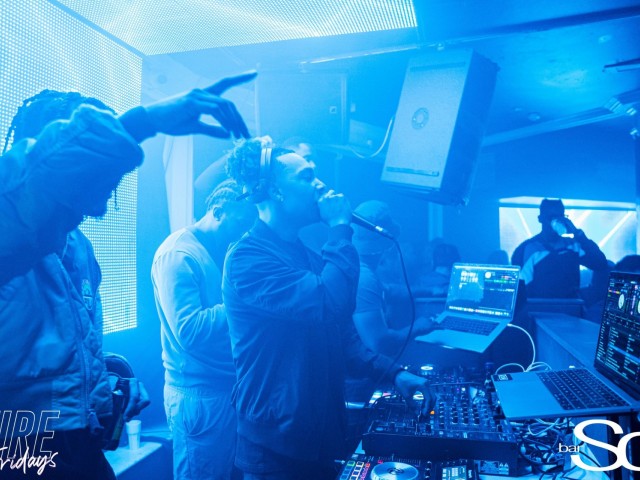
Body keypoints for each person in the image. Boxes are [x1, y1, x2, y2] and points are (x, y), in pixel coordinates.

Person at [0, 72, 256, 479]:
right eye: (99, 169)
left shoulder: (79, 247)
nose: (111, 185)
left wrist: (103, 379)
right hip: (20, 445)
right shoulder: (7, 235)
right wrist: (144, 122)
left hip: (79, 444)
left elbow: (40, 353)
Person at [222, 137, 432, 479]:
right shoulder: (247, 259)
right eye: (306, 176)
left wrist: (396, 373)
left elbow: (343, 338)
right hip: (275, 448)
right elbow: (329, 303)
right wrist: (339, 228)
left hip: (318, 439)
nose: (320, 184)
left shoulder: (305, 256)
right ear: (275, 191)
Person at [151, 180, 256, 480]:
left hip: (220, 392)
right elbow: (190, 330)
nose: (243, 231)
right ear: (218, 211)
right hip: (198, 398)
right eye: (240, 222)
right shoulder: (177, 255)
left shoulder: (218, 249)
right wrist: (240, 302)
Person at [350, 200, 437, 356]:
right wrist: (418, 326)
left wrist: (431, 290)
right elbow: (378, 343)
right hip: (361, 370)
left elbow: (389, 290)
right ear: (389, 243)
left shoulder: (357, 266)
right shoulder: (364, 278)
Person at [511, 198, 608, 298]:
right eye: (551, 217)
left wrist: (578, 234)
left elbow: (600, 264)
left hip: (571, 305)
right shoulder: (527, 249)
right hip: (539, 306)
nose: (556, 221)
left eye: (560, 217)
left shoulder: (573, 245)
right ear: (540, 219)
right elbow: (520, 288)